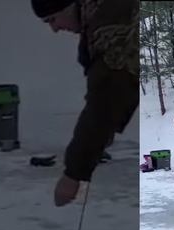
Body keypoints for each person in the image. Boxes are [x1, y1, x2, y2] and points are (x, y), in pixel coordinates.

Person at [30, 0, 139, 207]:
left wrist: (73, 174)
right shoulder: (101, 14)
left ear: (69, 6)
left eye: (52, 19)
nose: (54, 29)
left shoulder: (109, 25)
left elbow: (106, 100)